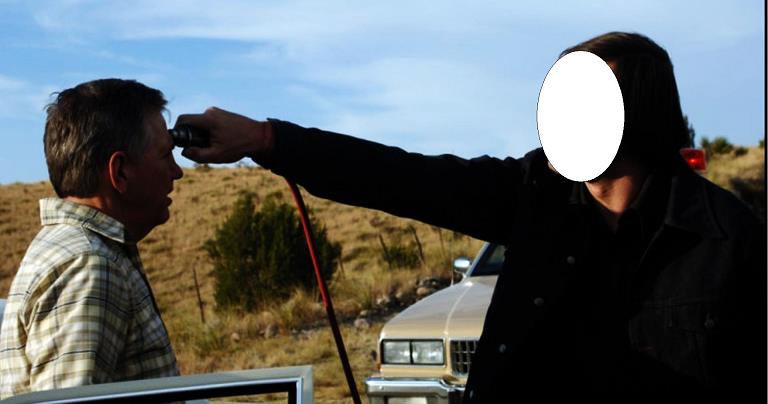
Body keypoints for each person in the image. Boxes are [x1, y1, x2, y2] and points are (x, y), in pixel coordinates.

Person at [176, 32, 765, 403]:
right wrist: (266, 139)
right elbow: (398, 176)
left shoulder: (731, 239)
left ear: (640, 111)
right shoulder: (534, 196)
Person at [0, 79, 183, 398]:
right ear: (120, 171)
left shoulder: (69, 248)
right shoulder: (89, 265)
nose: (177, 171)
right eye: (166, 154)